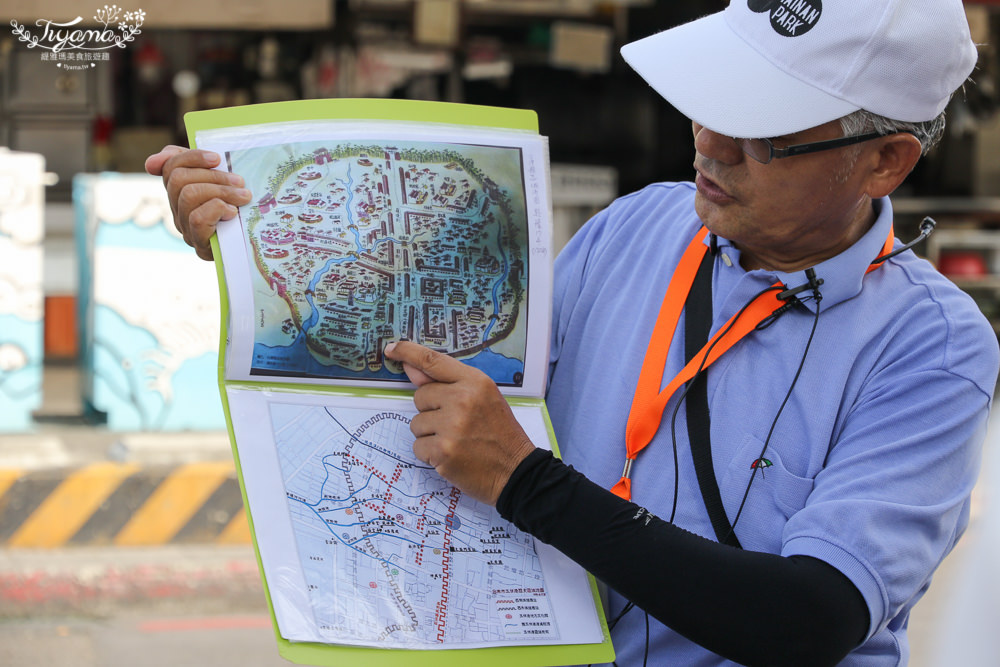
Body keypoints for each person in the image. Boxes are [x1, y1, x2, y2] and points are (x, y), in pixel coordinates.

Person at [147, 0, 999, 663]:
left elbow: (810, 619)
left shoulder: (932, 347)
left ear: (884, 161)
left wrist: (528, 484)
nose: (708, 142)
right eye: (708, 105)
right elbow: (428, 369)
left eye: (761, 133)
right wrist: (249, 248)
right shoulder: (639, 228)